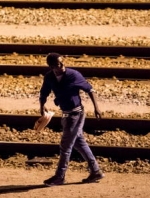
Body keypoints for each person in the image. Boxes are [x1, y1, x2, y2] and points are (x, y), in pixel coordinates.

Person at [39, 52, 104, 186]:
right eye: (58, 64)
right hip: (66, 114)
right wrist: (42, 106)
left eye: (62, 62)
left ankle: (60, 176)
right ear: (51, 66)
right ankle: (95, 171)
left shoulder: (73, 75)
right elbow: (44, 92)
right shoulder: (49, 77)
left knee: (65, 146)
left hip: (76, 114)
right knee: (79, 143)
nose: (62, 65)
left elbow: (90, 90)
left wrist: (96, 108)